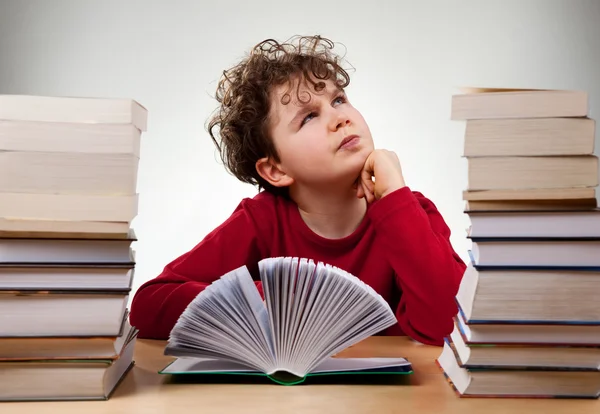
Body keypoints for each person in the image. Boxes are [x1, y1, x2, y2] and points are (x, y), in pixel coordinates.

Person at [129, 35, 466, 346]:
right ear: (276, 170)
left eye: (338, 99)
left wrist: (393, 194)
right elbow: (149, 305)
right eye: (308, 117)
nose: (339, 118)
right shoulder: (261, 221)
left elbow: (449, 324)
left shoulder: (410, 213)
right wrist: (273, 302)